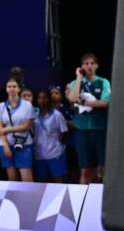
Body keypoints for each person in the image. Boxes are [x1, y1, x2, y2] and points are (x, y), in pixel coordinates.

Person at [65, 53, 110, 185]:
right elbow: (73, 99)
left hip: (99, 129)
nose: (89, 66)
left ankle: (102, 201)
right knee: (85, 169)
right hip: (82, 130)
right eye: (86, 64)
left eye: (92, 63)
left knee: (101, 169)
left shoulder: (103, 82)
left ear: (97, 65)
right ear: (82, 66)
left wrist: (84, 103)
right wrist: (79, 77)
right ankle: (84, 202)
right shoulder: (75, 82)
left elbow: (105, 102)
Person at [0, 78, 37, 181]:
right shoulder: (1, 106)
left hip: (24, 143)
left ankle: (30, 197)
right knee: (12, 178)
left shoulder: (27, 105)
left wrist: (8, 129)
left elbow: (27, 126)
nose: (11, 89)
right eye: (9, 87)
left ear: (19, 89)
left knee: (27, 178)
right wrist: (6, 146)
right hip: (5, 144)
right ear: (6, 89)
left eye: (14, 86)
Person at [32, 89, 70, 183]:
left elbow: (64, 132)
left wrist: (60, 146)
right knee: (42, 181)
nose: (42, 100)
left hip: (55, 153)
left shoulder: (57, 115)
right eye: (39, 98)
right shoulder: (34, 115)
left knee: (58, 180)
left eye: (44, 98)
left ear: (49, 99)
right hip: (39, 154)